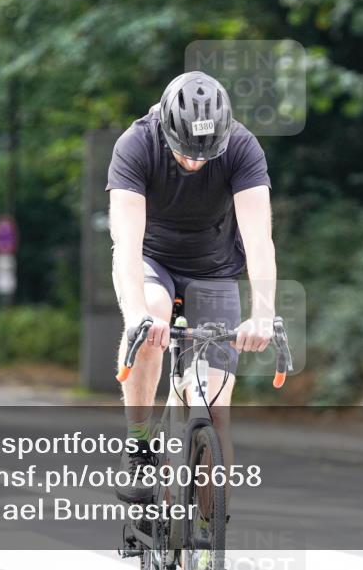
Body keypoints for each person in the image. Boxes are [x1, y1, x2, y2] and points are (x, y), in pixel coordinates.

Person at [107, 71, 277, 506]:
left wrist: (261, 313)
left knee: (216, 408)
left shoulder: (241, 146)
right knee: (151, 322)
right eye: (185, 153)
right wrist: (135, 317)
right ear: (166, 130)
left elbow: (259, 240)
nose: (195, 163)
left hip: (214, 268)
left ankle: (207, 531)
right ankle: (140, 443)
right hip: (151, 260)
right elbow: (125, 244)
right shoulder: (135, 144)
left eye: (206, 154)